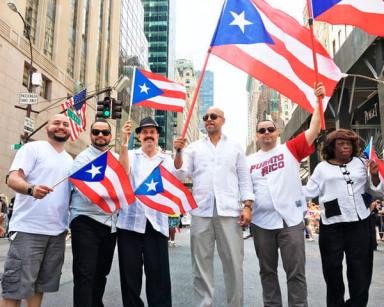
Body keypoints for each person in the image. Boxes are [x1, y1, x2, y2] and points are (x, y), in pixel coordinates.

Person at [247, 83, 325, 307]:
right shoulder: (248, 161)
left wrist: (317, 102)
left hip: (290, 221)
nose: (266, 133)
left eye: (270, 129)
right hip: (262, 223)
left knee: (296, 274)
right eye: (262, 130)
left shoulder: (289, 149)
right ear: (257, 135)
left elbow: (314, 129)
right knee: (267, 272)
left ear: (277, 132)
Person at [173, 107, 255, 307]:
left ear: (223, 120)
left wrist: (247, 206)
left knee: (234, 264)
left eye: (213, 117)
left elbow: (244, 179)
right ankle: (204, 304)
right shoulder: (192, 148)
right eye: (206, 117)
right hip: (201, 211)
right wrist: (178, 152)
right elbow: (180, 175)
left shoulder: (235, 147)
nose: (209, 120)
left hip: (229, 212)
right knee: (200, 265)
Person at [304, 129, 383, 307]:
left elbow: (377, 191)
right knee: (332, 271)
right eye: (340, 143)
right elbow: (308, 192)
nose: (345, 146)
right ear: (332, 147)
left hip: (360, 223)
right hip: (332, 226)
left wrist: (375, 175)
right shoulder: (321, 168)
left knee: (361, 271)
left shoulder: (363, 163)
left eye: (348, 143)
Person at [1, 114, 73, 307]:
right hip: (28, 230)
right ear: (46, 127)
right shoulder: (32, 148)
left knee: (39, 287)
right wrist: (31, 189)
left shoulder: (69, 160)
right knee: (14, 288)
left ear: (70, 130)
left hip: (56, 233)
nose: (61, 126)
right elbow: (12, 177)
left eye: (65, 124)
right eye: (56, 123)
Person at [117, 117, 173, 307]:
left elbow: (177, 180)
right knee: (129, 276)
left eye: (152, 132)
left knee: (158, 276)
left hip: (156, 225)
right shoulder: (131, 154)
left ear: (158, 135)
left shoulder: (167, 159)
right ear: (139, 135)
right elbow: (122, 173)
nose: (149, 135)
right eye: (145, 132)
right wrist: (124, 143)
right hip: (130, 223)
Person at [70, 119, 117, 307]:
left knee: (101, 272)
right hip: (85, 220)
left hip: (109, 223)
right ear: (90, 135)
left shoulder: (114, 159)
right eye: (96, 132)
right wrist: (114, 193)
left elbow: (124, 185)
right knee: (85, 273)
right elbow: (88, 193)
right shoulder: (81, 159)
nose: (100, 136)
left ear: (110, 136)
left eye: (104, 133)